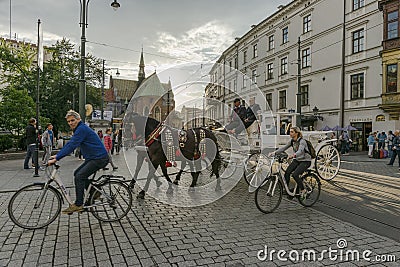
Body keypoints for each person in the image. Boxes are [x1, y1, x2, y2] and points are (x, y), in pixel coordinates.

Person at [48, 110, 109, 214]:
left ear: (79, 119)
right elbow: (70, 144)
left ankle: (78, 204)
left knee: (79, 176)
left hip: (99, 158)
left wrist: (57, 158)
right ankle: (94, 192)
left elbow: (72, 145)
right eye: (69, 121)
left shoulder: (81, 129)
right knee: (77, 173)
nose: (71, 123)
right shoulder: (79, 129)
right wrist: (57, 155)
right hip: (93, 157)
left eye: (73, 120)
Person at [270, 126, 312, 200]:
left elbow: (301, 151)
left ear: (297, 133)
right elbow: (284, 148)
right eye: (290, 131)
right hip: (297, 160)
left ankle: (303, 190)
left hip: (305, 161)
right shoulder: (292, 141)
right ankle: (287, 190)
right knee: (287, 172)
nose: (290, 133)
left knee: (295, 175)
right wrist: (274, 153)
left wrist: (293, 155)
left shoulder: (302, 141)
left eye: (292, 132)